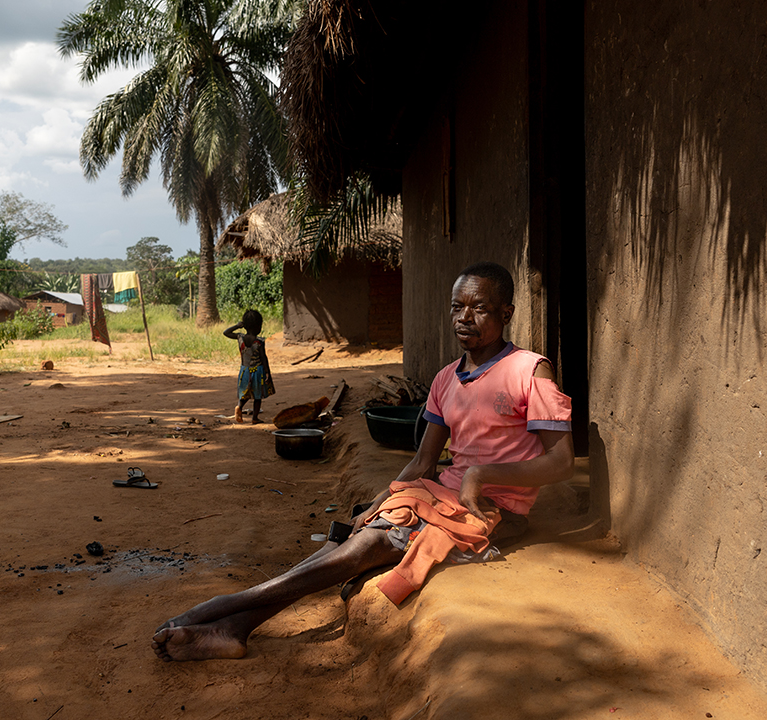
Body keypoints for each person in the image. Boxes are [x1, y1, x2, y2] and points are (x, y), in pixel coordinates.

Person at [153, 262, 575, 661]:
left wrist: (482, 475)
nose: (465, 317)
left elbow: (561, 462)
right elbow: (424, 462)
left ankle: (221, 608)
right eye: (457, 307)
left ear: (507, 312)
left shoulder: (531, 371)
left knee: (370, 544)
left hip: (494, 512)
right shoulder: (447, 378)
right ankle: (234, 628)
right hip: (439, 494)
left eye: (480, 308)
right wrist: (381, 498)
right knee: (351, 535)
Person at [224, 309, 274, 424]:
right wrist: (268, 373)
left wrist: (237, 326)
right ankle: (255, 418)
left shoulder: (240, 337)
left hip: (244, 371)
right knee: (257, 396)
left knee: (245, 393)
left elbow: (226, 332)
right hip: (258, 371)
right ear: (258, 326)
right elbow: (263, 358)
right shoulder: (259, 341)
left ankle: (239, 407)